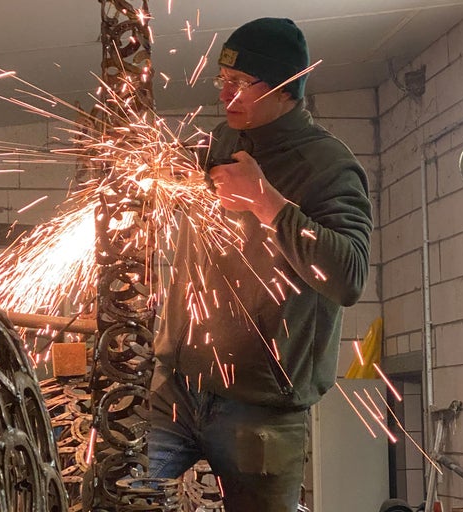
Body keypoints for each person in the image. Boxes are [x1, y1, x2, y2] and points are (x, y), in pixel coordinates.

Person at [147, 17, 373, 511]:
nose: (224, 96)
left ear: (284, 87)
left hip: (263, 409)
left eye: (238, 84)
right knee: (113, 489)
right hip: (177, 390)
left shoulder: (328, 166)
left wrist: (267, 202)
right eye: (220, 82)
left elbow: (350, 277)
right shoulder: (220, 141)